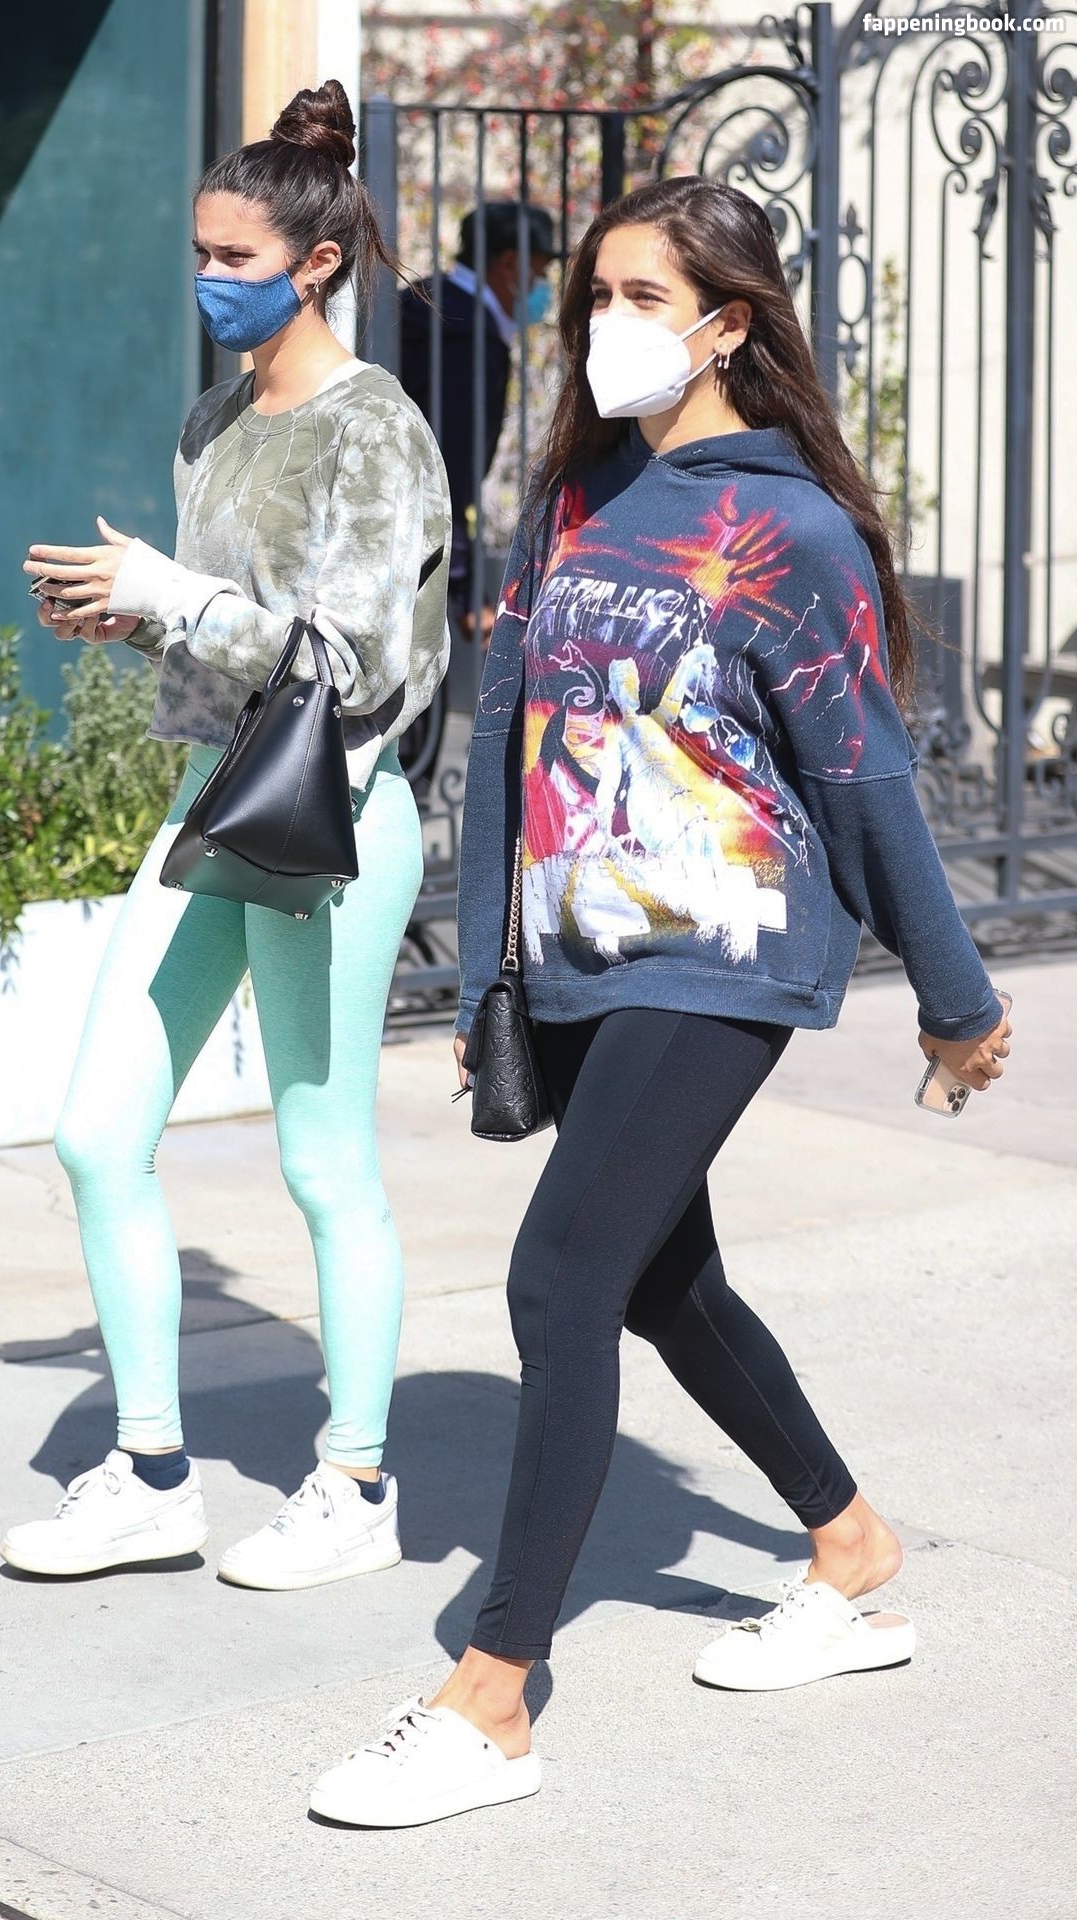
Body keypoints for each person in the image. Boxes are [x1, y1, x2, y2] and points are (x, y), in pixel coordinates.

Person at [309, 175, 1013, 1827]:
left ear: (725, 325)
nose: (603, 327)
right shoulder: (579, 497)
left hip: (724, 946)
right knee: (660, 1281)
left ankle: (492, 1701)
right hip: (581, 955)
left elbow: (864, 774)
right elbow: (510, 723)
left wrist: (954, 995)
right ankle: (851, 1550)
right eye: (592, 298)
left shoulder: (793, 532)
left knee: (560, 1277)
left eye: (641, 297)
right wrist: (493, 955)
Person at [3, 79, 452, 1590]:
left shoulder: (374, 430)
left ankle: (357, 1481)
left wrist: (174, 595)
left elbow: (357, 666)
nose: (209, 278)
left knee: (323, 1164)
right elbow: (229, 648)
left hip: (333, 820)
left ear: (314, 264)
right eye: (199, 251)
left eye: (235, 257)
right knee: (95, 1134)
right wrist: (128, 617)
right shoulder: (213, 419)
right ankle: (150, 1475)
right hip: (215, 797)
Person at [400, 202, 559, 638]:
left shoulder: (426, 300)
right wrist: (466, 589)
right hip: (411, 557)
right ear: (510, 264)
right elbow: (447, 471)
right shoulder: (470, 337)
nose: (542, 288)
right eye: (539, 273)